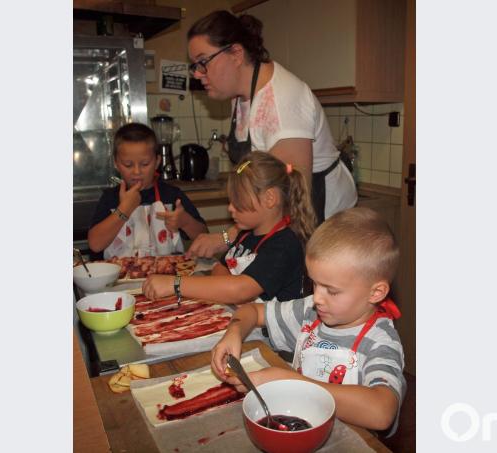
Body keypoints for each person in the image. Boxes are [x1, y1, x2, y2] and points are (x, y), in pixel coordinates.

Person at [210, 207, 405, 433]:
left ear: (376, 292)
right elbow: (252, 311)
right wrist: (233, 333)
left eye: (331, 290)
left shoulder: (381, 341)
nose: (317, 298)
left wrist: (292, 382)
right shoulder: (310, 312)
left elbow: (382, 412)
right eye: (314, 283)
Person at [185, 10, 357, 258]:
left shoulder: (283, 102)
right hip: (280, 217)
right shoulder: (241, 96)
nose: (197, 74)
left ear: (235, 53)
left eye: (203, 63)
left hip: (323, 224)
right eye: (194, 66)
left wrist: (227, 238)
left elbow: (290, 193)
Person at [142, 152, 316, 304]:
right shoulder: (245, 235)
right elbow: (220, 269)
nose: (230, 208)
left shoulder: (284, 245)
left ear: (269, 198)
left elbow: (239, 290)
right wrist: (228, 286)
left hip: (271, 339)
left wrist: (176, 284)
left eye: (238, 201)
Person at [88, 123, 208, 259]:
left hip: (166, 277)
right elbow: (95, 244)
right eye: (128, 165)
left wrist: (185, 222)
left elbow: (204, 236)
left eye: (145, 164)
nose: (137, 171)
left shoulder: (171, 195)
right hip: (119, 278)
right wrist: (124, 210)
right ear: (116, 163)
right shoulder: (110, 198)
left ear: (157, 162)